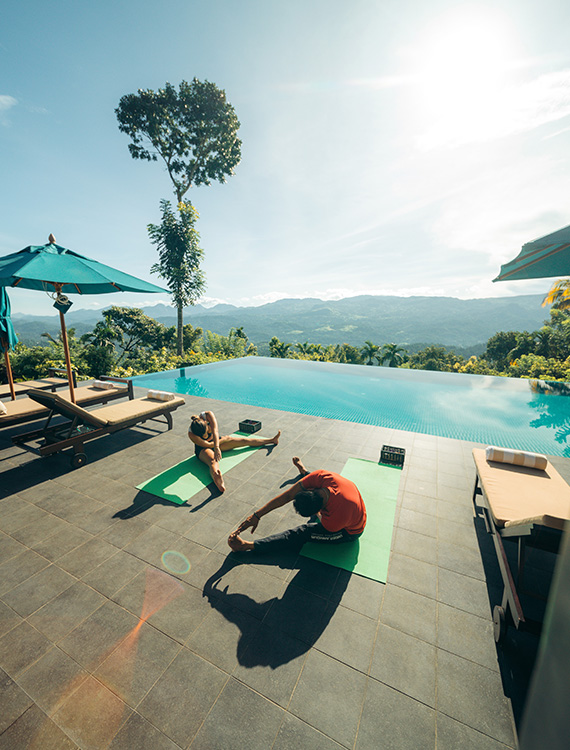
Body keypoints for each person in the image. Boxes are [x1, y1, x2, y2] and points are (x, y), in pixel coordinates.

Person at [228, 456, 366, 552]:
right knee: (310, 478)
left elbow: (321, 519)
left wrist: (318, 515)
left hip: (349, 532)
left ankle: (248, 546)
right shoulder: (322, 476)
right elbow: (288, 495)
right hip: (343, 502)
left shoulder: (335, 519)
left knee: (301, 533)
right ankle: (304, 472)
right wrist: (256, 515)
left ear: (318, 511)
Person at [188, 411, 280, 493]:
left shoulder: (208, 415)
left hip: (216, 442)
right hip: (203, 449)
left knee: (244, 441)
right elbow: (208, 445)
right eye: (203, 435)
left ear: (205, 422)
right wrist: (224, 440)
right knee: (213, 460)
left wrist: (218, 446)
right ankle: (218, 479)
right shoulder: (191, 434)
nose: (206, 435)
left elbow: (215, 432)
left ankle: (272, 440)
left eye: (207, 431)